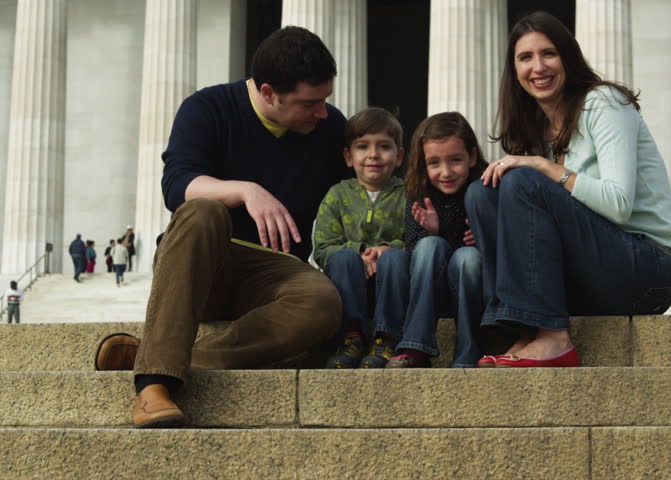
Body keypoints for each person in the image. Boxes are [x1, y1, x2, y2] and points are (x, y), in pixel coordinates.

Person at [93, 26, 349, 428]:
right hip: (201, 261)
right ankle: (153, 386)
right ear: (268, 93)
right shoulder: (207, 107)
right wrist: (245, 191)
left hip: (274, 272)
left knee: (322, 302)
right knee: (203, 210)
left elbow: (372, 179)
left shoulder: (328, 127)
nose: (322, 112)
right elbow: (177, 186)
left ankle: (155, 353)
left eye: (325, 101)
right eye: (309, 103)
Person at [465, 12, 671, 369]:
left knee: (521, 178)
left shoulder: (604, 102)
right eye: (525, 57)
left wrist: (543, 166)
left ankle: (554, 339)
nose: (538, 67)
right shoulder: (537, 129)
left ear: (568, 56)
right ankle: (522, 329)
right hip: (591, 275)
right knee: (483, 192)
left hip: (648, 271)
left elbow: (618, 205)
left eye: (548, 53)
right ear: (514, 71)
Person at [386, 112, 488, 369]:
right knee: (429, 245)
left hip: (473, 289)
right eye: (434, 163)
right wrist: (435, 232)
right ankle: (416, 345)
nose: (446, 172)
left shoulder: (485, 189)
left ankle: (469, 350)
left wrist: (486, 239)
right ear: (422, 163)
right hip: (430, 292)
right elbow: (414, 251)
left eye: (455, 160)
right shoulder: (419, 193)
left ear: (472, 157)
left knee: (468, 257)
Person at [313, 107, 409, 369]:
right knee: (342, 256)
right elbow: (322, 248)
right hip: (349, 285)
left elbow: (416, 239)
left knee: (396, 257)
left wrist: (386, 249)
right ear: (348, 156)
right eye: (363, 146)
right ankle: (351, 339)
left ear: (399, 156)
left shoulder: (408, 194)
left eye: (384, 147)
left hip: (392, 286)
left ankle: (387, 339)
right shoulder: (337, 195)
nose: (373, 155)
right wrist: (360, 252)